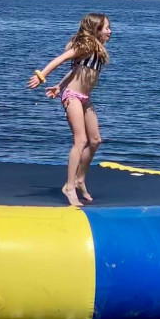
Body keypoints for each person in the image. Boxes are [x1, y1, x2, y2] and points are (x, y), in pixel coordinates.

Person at [27, 13, 112, 206]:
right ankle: (69, 186)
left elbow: (76, 70)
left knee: (96, 139)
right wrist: (42, 76)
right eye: (106, 27)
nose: (110, 31)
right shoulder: (85, 45)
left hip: (85, 98)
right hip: (72, 96)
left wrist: (58, 86)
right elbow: (61, 59)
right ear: (96, 30)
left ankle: (80, 179)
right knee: (80, 140)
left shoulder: (97, 50)